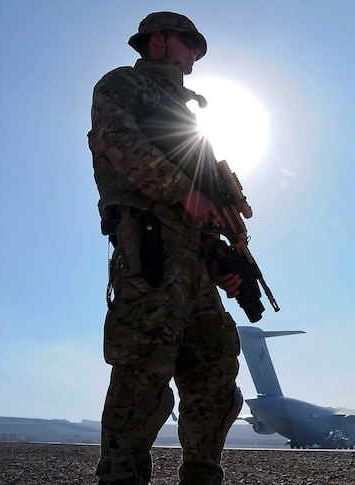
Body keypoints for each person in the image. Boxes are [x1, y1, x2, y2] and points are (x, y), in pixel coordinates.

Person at [88, 12, 245, 485]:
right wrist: (182, 190)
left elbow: (205, 206)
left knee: (217, 366)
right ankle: (121, 476)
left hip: (191, 258)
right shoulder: (123, 85)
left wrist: (220, 260)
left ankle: (202, 472)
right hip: (149, 242)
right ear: (157, 42)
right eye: (188, 42)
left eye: (198, 47)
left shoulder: (187, 114)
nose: (195, 53)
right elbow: (117, 139)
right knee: (143, 373)